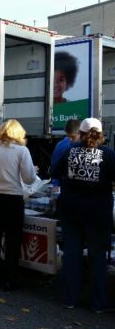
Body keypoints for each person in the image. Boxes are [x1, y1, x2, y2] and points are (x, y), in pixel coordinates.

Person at [50, 118, 115, 313]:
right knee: (97, 256)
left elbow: (54, 172)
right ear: (100, 134)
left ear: (81, 133)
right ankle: (98, 303)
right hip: (98, 211)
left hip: (71, 209)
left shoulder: (69, 151)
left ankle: (69, 298)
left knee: (72, 254)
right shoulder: (108, 154)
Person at [0, 119, 36, 291]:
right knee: (12, 240)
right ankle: (10, 279)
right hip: (13, 198)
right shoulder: (22, 150)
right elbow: (29, 178)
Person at [50, 119, 80, 188]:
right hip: (65, 184)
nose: (70, 139)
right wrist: (55, 184)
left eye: (72, 137)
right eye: (68, 136)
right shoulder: (61, 146)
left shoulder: (86, 146)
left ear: (79, 133)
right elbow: (54, 165)